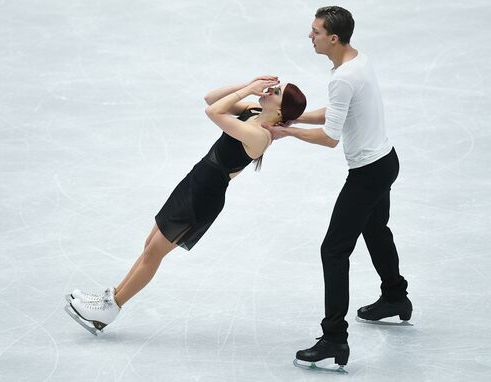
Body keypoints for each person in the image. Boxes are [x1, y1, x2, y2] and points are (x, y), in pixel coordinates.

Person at [64, 76, 307, 335]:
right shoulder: (254, 111)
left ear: (280, 110)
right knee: (149, 247)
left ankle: (111, 309)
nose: (270, 90)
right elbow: (211, 98)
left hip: (204, 197)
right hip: (194, 182)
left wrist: (248, 90)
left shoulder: (259, 136)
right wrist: (247, 84)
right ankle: (109, 300)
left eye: (276, 92)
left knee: (153, 254)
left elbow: (213, 112)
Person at [264, 6, 411, 369]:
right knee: (375, 230)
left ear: (333, 37)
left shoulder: (343, 76)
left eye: (315, 32)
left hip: (368, 173)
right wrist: (295, 116)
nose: (309, 36)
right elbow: (337, 111)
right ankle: (395, 296)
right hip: (386, 160)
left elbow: (331, 136)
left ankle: (334, 338)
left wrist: (288, 132)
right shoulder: (357, 61)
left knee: (333, 250)